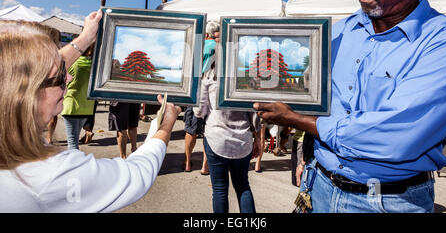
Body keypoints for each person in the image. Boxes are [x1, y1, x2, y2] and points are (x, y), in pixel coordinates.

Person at [254, 0, 446, 213]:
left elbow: (393, 137)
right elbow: (314, 96)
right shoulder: (336, 32)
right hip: (318, 185)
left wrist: (296, 120)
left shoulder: (440, 43)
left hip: (389, 202)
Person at [0, 18, 181, 212]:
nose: (68, 76)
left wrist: (86, 37)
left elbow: (32, 71)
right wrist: (163, 126)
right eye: (61, 75)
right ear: (27, 94)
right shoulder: (50, 172)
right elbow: (137, 174)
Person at [197, 61, 262, 213]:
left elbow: (199, 112)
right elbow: (255, 116)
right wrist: (258, 138)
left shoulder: (209, 77)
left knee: (219, 189)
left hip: (216, 139)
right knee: (243, 186)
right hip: (243, 140)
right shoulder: (245, 78)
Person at [183, 21, 220, 174]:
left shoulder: (198, 45)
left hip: (197, 87)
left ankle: (187, 162)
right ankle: (205, 165)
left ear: (206, 33)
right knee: (208, 129)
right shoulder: (220, 46)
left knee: (191, 128)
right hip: (213, 89)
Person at [61, 43, 96, 150]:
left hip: (71, 106)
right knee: (74, 140)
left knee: (72, 142)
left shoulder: (71, 64)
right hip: (86, 107)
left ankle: (74, 164)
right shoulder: (94, 66)